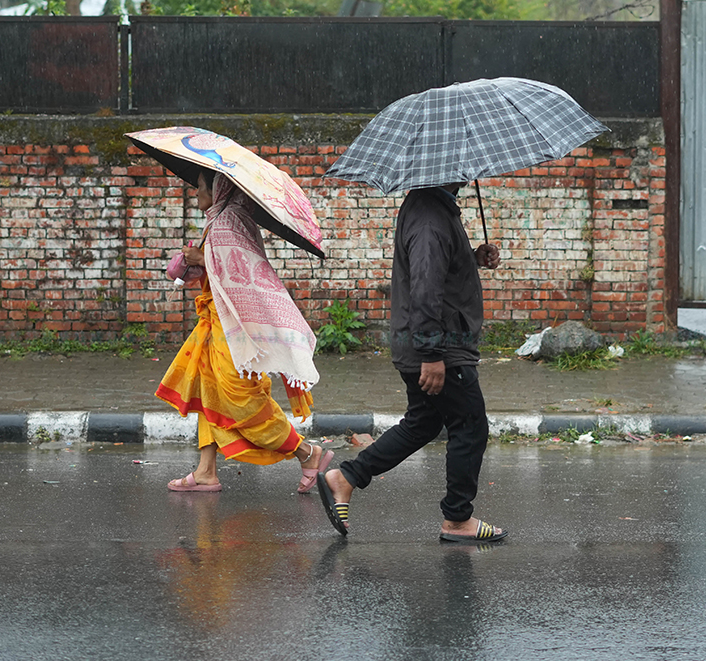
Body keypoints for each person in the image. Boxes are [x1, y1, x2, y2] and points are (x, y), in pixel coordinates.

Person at [318, 182, 507, 543]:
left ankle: (345, 478)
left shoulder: (432, 208)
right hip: (442, 347)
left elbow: (437, 269)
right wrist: (432, 355)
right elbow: (425, 287)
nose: (464, 175)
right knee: (470, 427)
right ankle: (457, 519)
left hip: (430, 342)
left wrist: (471, 256)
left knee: (423, 422)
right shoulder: (430, 219)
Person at [156, 170, 333, 493]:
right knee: (207, 389)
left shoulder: (228, 222)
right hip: (215, 324)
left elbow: (240, 273)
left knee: (241, 400)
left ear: (217, 190)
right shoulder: (219, 219)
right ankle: (206, 470)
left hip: (235, 330)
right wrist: (193, 261)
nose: (196, 194)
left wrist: (204, 258)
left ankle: (307, 452)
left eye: (200, 188)